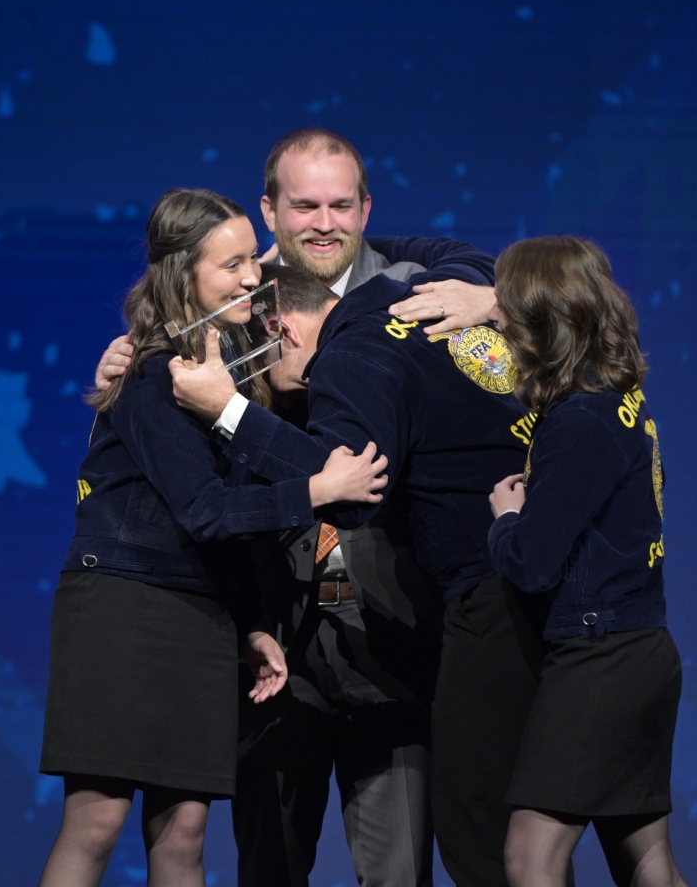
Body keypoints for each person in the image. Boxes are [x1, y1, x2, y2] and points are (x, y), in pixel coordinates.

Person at [95, 128, 498, 887]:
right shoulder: (241, 293)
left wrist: (496, 295)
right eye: (303, 205)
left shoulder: (407, 284)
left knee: (398, 868)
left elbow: (508, 275)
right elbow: (164, 352)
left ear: (365, 209)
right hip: (276, 642)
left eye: (340, 205)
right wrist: (129, 355)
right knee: (267, 865)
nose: (323, 222)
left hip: (395, 643)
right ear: (268, 212)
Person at [39, 188, 387, 887]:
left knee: (185, 833)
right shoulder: (152, 375)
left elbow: (219, 533)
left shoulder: (216, 379)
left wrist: (251, 625)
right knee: (98, 819)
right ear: (184, 275)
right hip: (121, 607)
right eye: (230, 267)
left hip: (199, 618)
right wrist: (317, 490)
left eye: (249, 265)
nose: (250, 280)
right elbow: (204, 510)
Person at [169, 262, 554, 887]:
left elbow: (349, 484)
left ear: (280, 329)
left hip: (454, 621)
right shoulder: (433, 312)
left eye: (255, 357)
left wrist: (228, 410)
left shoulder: (354, 353)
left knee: (479, 839)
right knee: (533, 842)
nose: (265, 382)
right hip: (527, 593)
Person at [486, 236, 688, 887]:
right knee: (645, 857)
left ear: (541, 319)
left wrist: (506, 519)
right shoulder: (618, 397)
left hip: (598, 659)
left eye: (508, 309)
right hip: (641, 649)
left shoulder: (578, 420)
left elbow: (530, 564)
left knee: (529, 855)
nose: (500, 321)